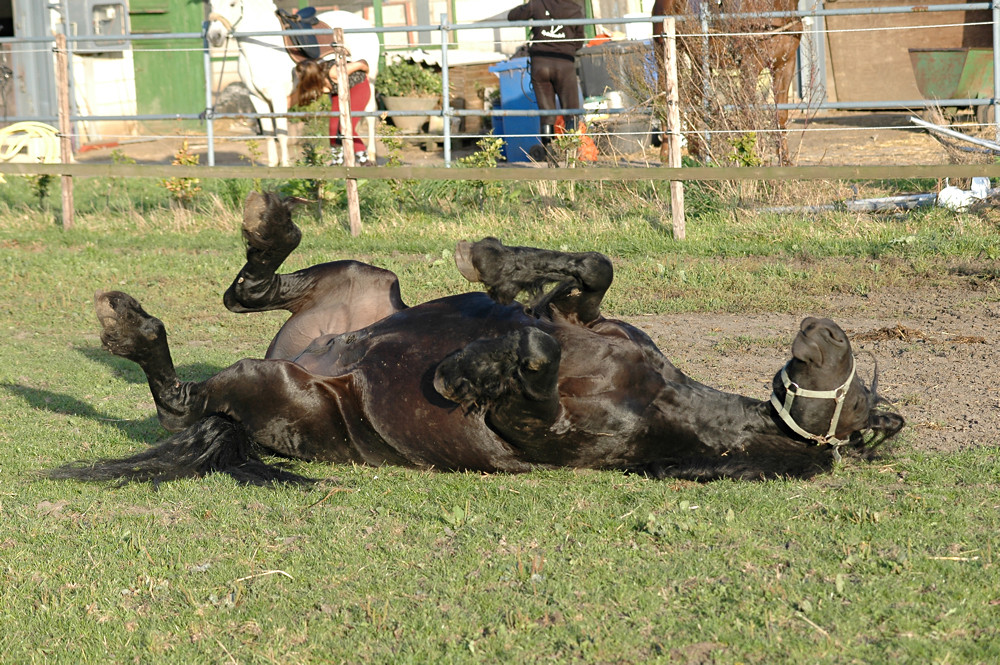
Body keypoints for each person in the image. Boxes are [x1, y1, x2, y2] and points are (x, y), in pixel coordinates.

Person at [507, 0, 584, 156]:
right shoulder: (575, 8)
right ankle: (571, 153)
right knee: (571, 110)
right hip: (564, 63)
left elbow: (512, 16)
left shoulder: (537, 4)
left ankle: (549, 153)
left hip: (540, 63)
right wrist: (565, 48)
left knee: (546, 111)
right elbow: (579, 40)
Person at [290, 57, 372, 166]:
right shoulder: (315, 82)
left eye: (300, 77)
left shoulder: (333, 72)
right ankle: (337, 161)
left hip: (358, 86)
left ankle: (364, 160)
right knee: (333, 127)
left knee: (347, 126)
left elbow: (362, 62)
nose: (298, 78)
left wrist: (366, 73)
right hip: (338, 91)